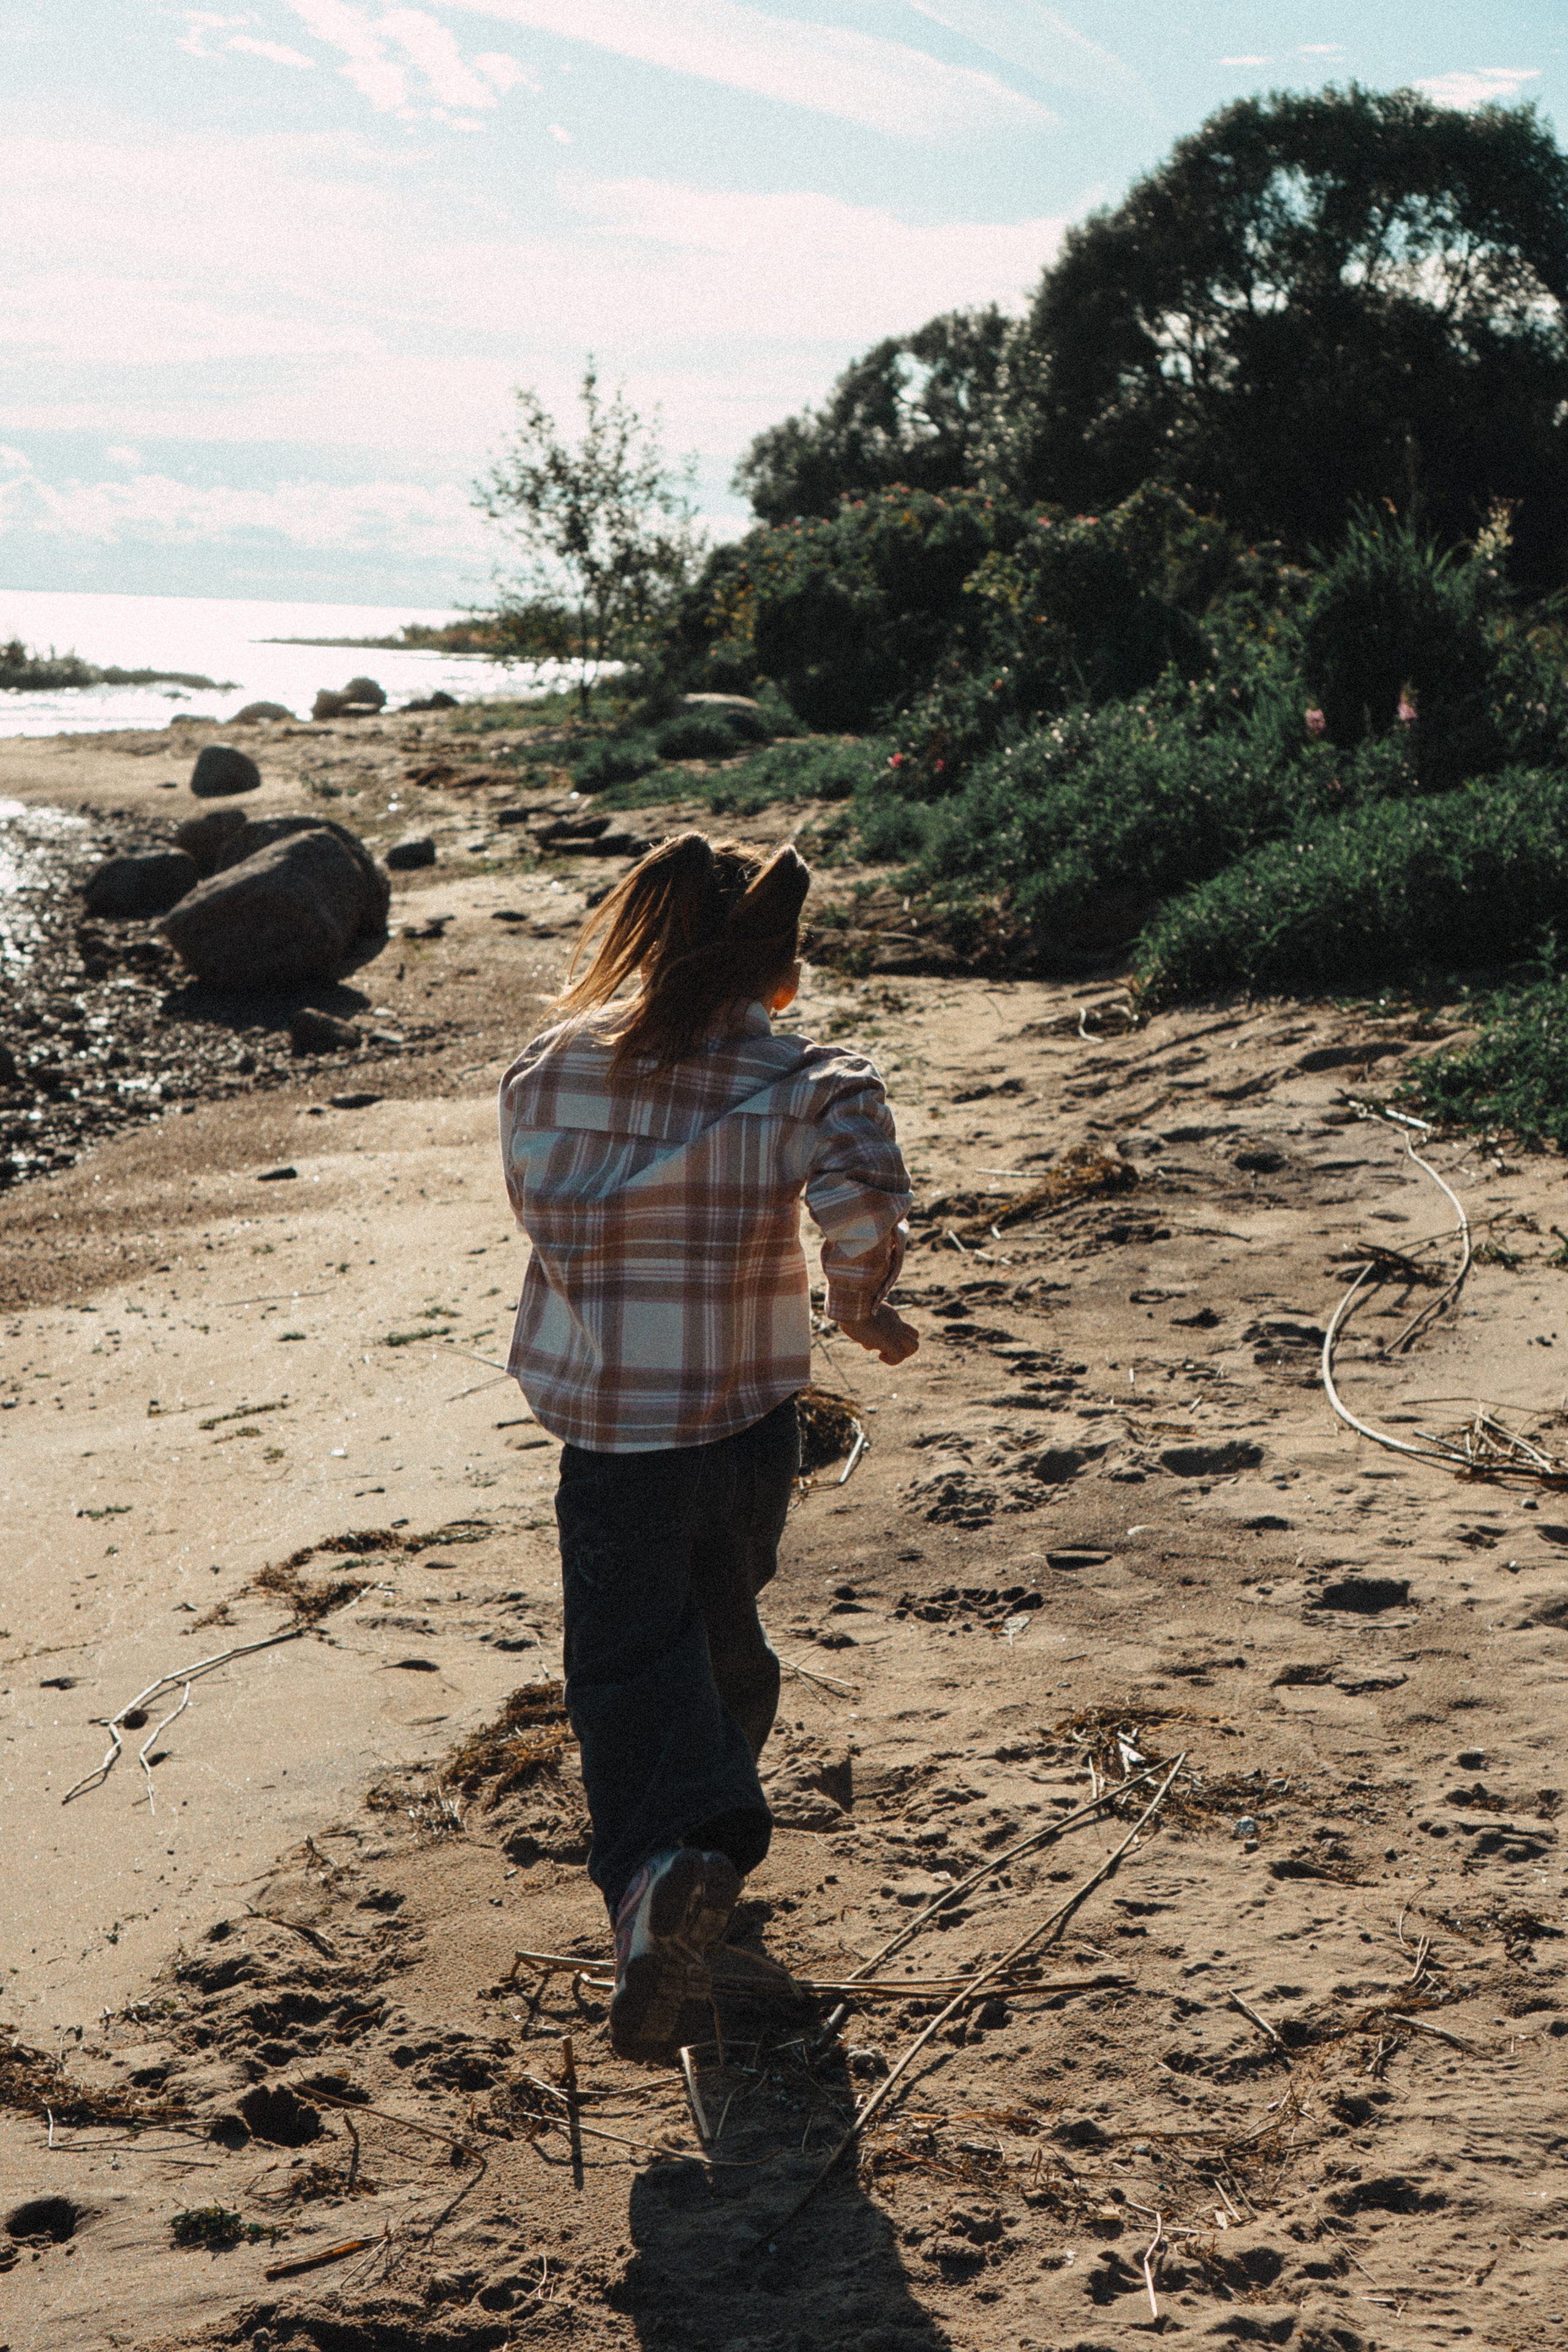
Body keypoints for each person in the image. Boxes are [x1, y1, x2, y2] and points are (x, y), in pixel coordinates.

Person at [499, 831, 918, 2064]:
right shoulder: (811, 1075)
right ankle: (706, 1841)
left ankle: (663, 1874)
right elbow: (862, 1192)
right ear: (777, 967)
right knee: (722, 1617)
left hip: (615, 1432)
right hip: (747, 1423)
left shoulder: (549, 1070)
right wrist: (860, 1300)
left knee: (628, 1662)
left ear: (645, 941)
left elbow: (537, 1192)